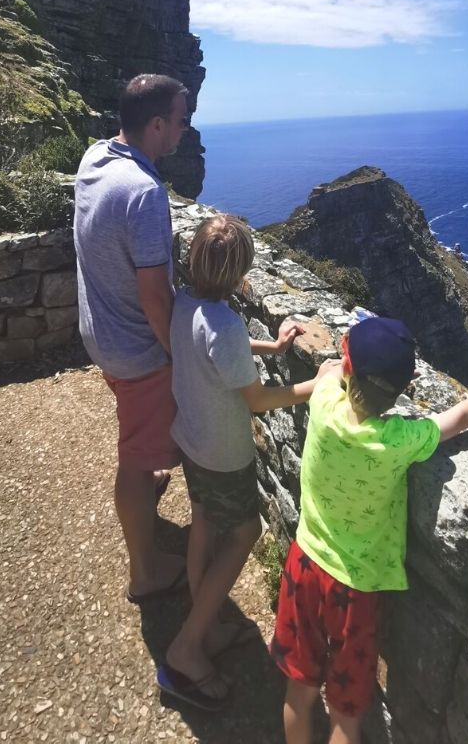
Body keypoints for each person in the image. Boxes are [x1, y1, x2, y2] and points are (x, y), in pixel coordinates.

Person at [270, 314, 468, 744]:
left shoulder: (324, 400)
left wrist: (332, 368)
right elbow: (454, 421)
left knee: (300, 688)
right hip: (356, 587)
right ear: (403, 389)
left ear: (348, 370)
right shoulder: (399, 439)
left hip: (304, 562)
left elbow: (328, 375)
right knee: (346, 711)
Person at [158, 214, 343, 712]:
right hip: (223, 454)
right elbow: (257, 399)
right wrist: (318, 384)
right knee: (243, 533)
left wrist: (273, 344)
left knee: (203, 522)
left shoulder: (183, 302)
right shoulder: (225, 324)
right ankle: (187, 647)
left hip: (192, 441)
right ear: (241, 272)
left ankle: (207, 622)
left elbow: (220, 352)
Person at [74, 73, 191, 603]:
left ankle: (147, 484)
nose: (186, 132)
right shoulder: (145, 192)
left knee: (138, 434)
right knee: (136, 456)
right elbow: (154, 296)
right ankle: (145, 574)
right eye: (182, 121)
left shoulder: (97, 157)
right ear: (158, 124)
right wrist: (179, 357)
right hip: (136, 348)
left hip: (98, 330)